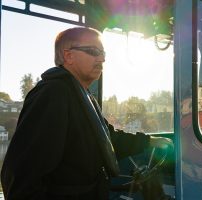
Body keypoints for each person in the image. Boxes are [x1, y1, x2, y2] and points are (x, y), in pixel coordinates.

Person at [1, 27, 173, 200]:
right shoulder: (53, 93)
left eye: (103, 53)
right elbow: (22, 174)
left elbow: (107, 139)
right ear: (68, 56)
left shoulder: (83, 95)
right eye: (93, 51)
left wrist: (149, 141)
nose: (102, 59)